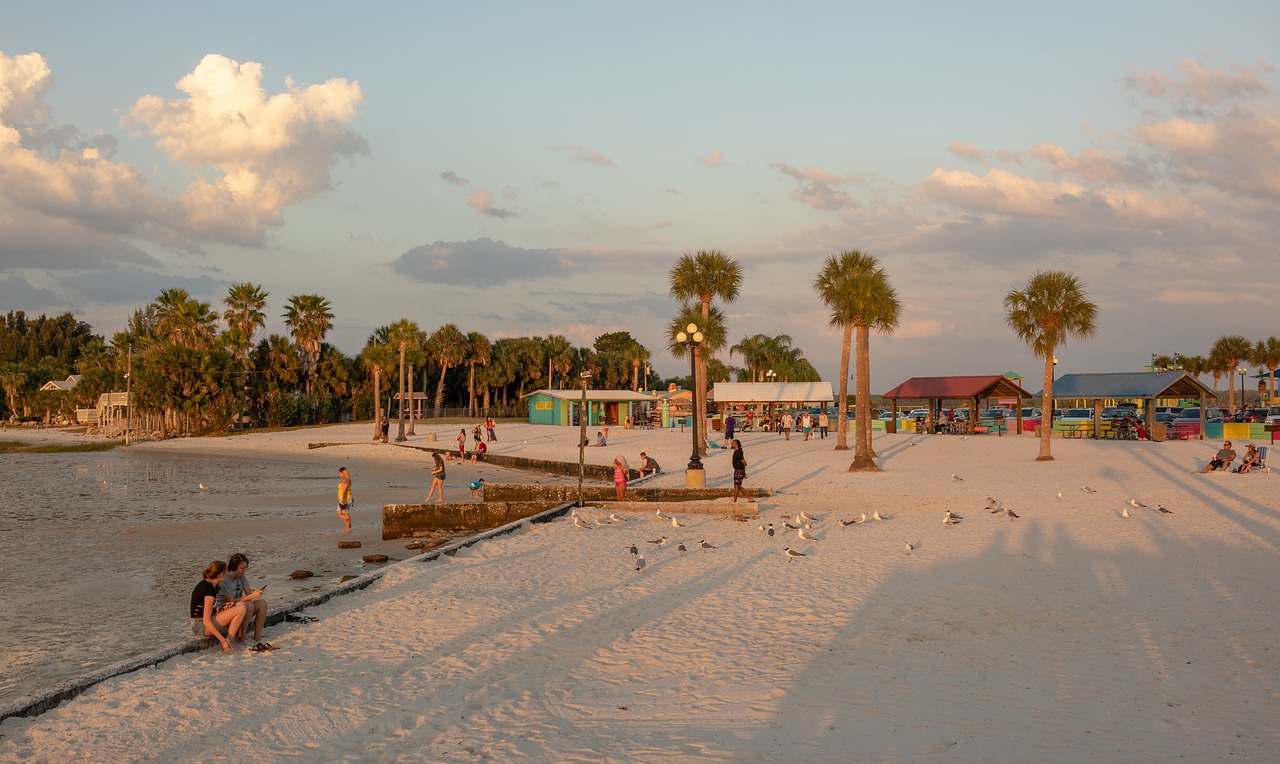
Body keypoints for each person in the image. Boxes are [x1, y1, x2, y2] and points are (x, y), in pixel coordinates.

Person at [191, 560, 247, 652]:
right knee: (241, 608)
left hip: (200, 622)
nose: (227, 574)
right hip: (200, 626)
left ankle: (231, 640)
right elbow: (206, 620)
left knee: (240, 605)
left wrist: (219, 609)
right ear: (221, 574)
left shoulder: (209, 584)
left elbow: (203, 609)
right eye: (225, 572)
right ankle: (229, 642)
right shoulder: (208, 591)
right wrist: (222, 640)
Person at [218, 553, 268, 644]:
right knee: (247, 604)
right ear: (234, 566)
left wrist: (254, 593)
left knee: (262, 603)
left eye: (245, 568)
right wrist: (251, 596)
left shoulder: (242, 577)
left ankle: (257, 637)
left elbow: (248, 594)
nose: (244, 570)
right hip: (225, 609)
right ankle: (242, 638)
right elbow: (231, 600)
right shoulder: (224, 580)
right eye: (242, 568)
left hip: (240, 606)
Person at [730, 439, 755, 504]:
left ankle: (735, 501)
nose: (731, 444)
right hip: (737, 470)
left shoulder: (738, 452)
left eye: (733, 443)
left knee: (737, 486)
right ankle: (749, 498)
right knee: (737, 486)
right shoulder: (737, 451)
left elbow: (745, 463)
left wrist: (741, 469)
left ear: (736, 444)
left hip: (739, 471)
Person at [337, 466, 354, 532]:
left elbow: (344, 491)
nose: (339, 475)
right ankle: (348, 524)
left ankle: (348, 528)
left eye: (340, 473)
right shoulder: (345, 480)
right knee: (339, 512)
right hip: (343, 499)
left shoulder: (346, 480)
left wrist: (342, 500)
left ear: (343, 473)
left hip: (346, 499)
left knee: (346, 513)